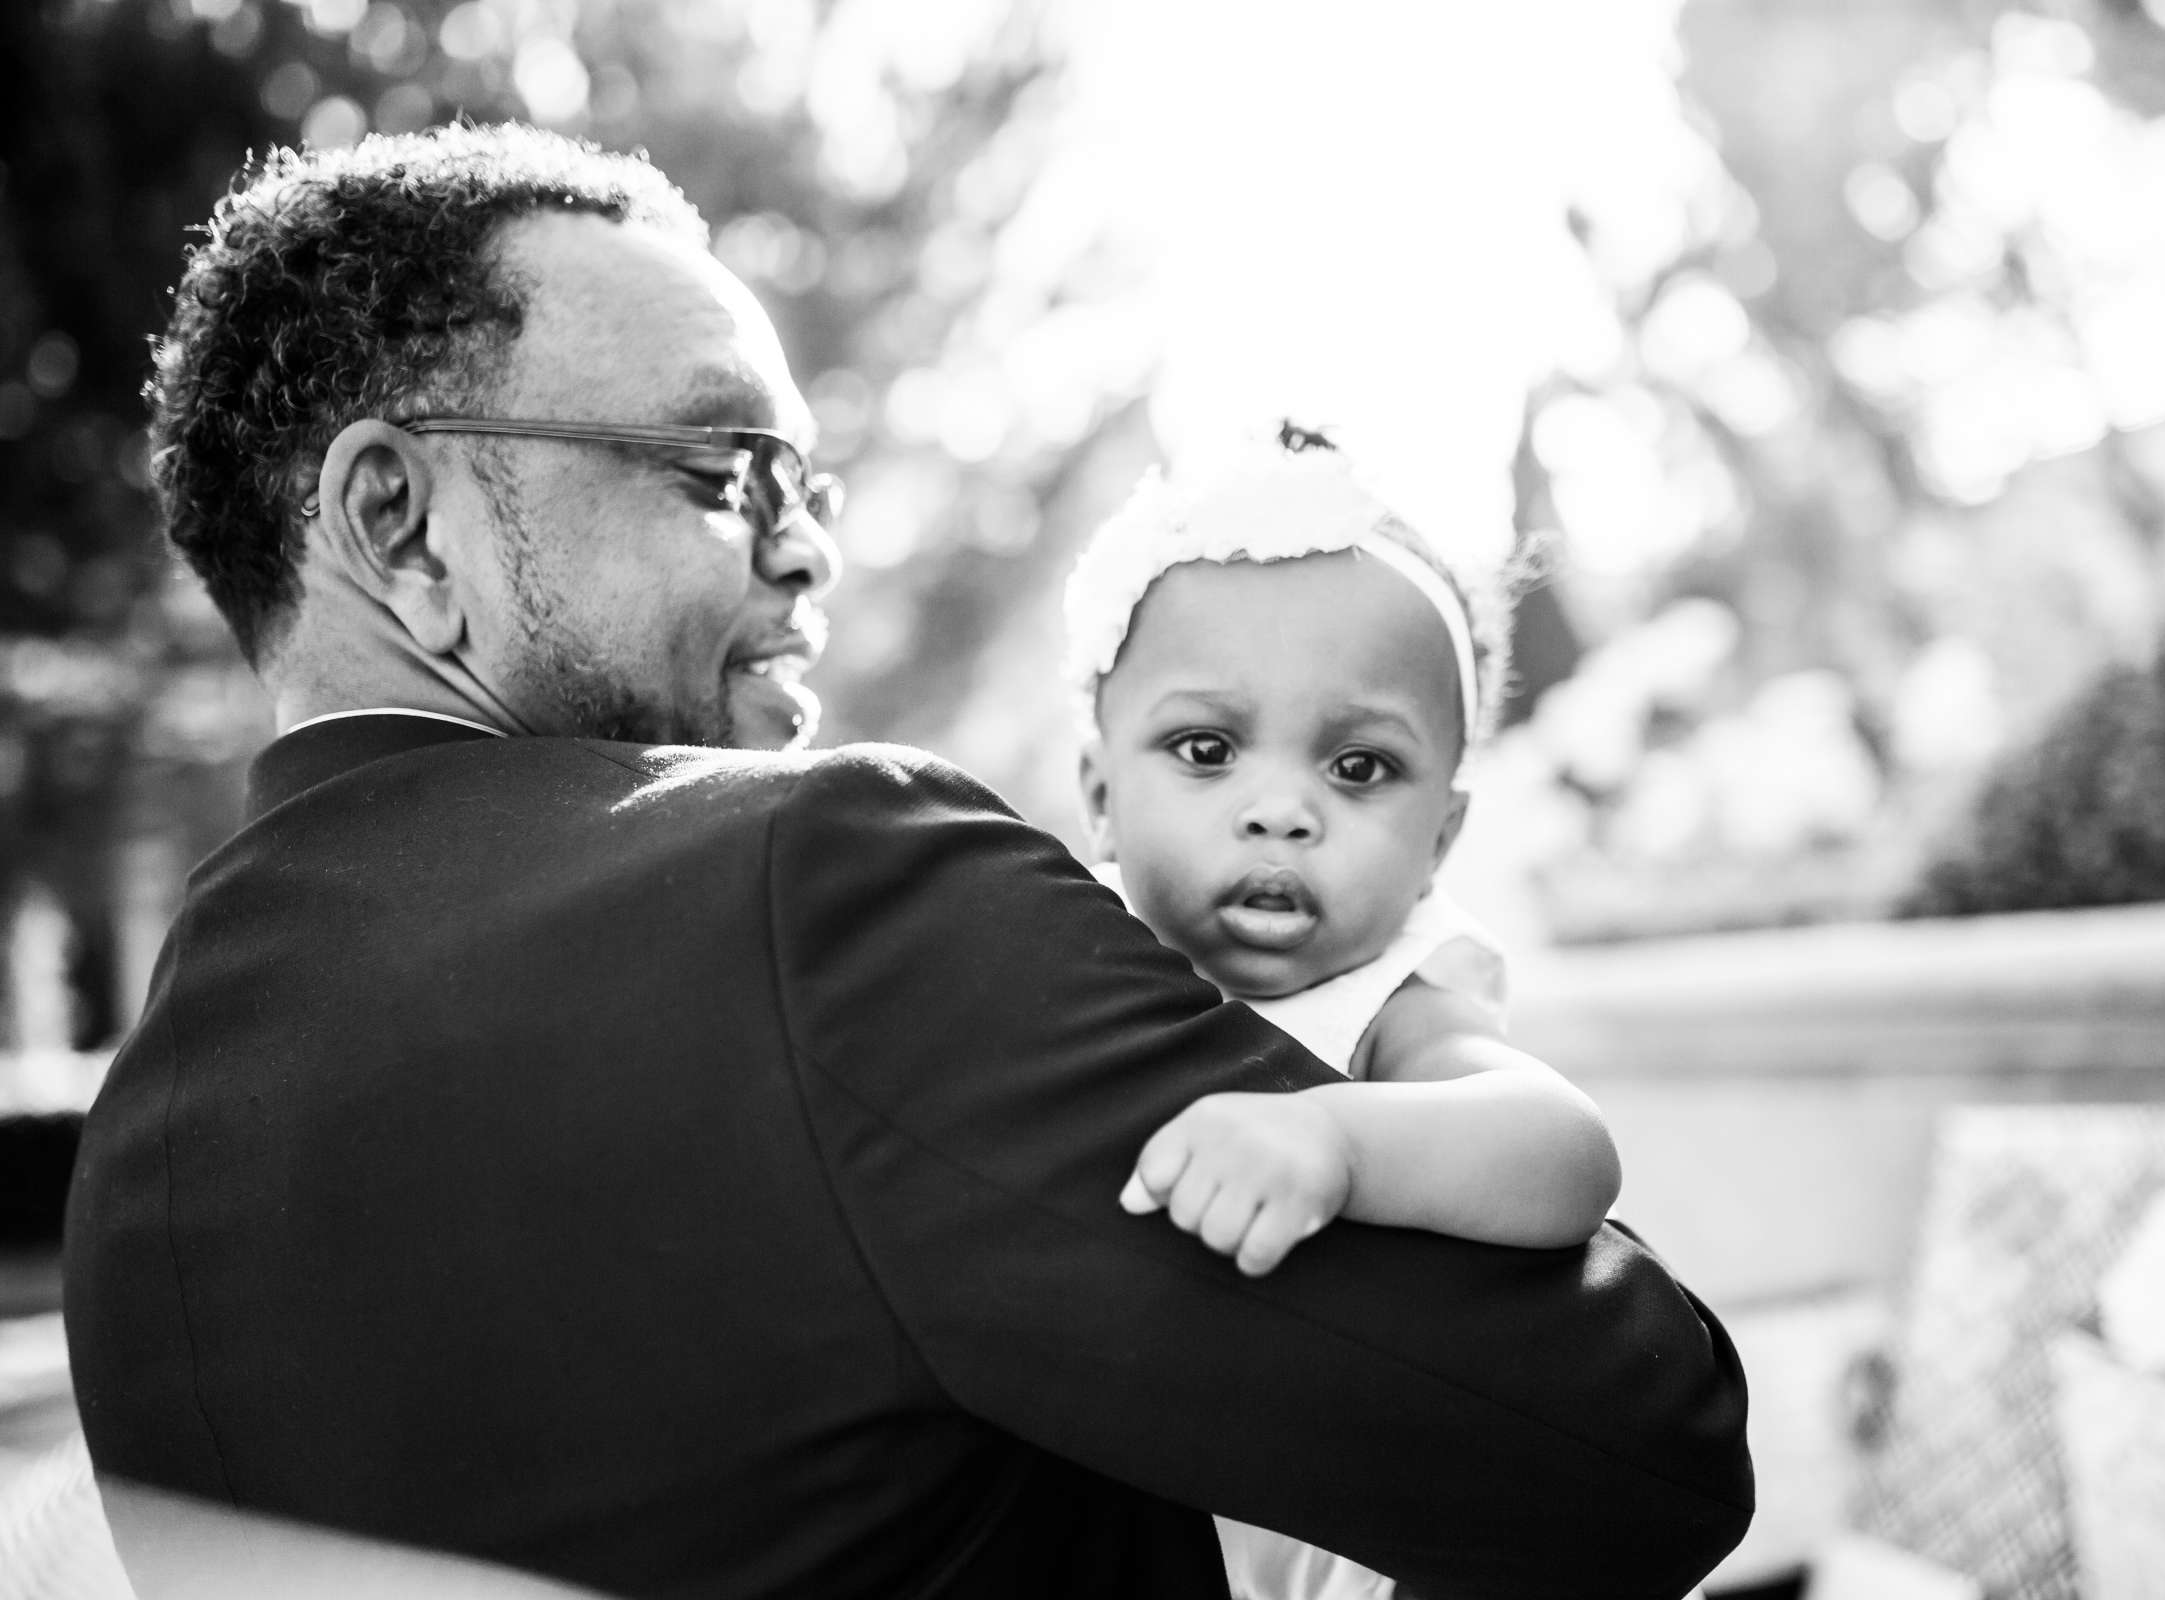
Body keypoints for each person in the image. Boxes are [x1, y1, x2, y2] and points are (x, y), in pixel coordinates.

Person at [63, 123, 1751, 1600]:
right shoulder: (819, 890)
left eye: (815, 486)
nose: (807, 556)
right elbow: (1637, 1448)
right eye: (728, 472)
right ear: (397, 524)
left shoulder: (132, 1185)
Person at [1065, 430, 1622, 1600]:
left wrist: (1340, 1138)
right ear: (1102, 796)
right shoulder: (1060, 967)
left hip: (1374, 1540)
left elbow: (1563, 1146)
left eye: (1359, 768)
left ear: (1442, 842)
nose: (1280, 810)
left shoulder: (1380, 1006)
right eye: (1207, 749)